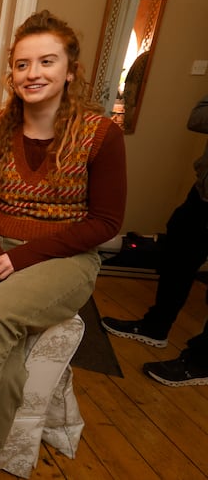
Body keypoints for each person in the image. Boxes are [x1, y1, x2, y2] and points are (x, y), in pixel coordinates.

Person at [0, 10, 127, 480]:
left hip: (65, 259)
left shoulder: (102, 135)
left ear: (70, 70)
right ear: (11, 72)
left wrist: (18, 257)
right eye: (22, 64)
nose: (32, 73)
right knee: (10, 361)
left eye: (46, 61)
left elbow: (106, 222)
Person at [102, 95, 208, 387]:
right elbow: (197, 116)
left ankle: (201, 361)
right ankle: (155, 327)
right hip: (203, 193)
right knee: (178, 255)